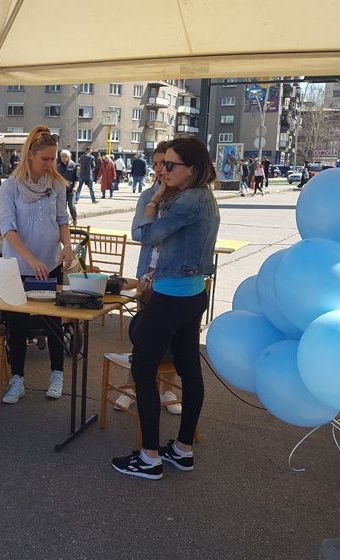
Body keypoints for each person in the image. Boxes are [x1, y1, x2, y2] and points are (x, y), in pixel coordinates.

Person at [111, 136, 220, 480]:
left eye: (170, 165)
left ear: (192, 168)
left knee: (143, 369)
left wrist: (154, 201)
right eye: (161, 164)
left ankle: (149, 457)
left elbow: (144, 235)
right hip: (190, 293)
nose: (163, 170)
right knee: (188, 367)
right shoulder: (203, 197)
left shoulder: (188, 200)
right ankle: (182, 450)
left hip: (173, 297)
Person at [0, 126, 75, 404]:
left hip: (51, 263)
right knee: (16, 325)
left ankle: (57, 374)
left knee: (53, 321)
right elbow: (7, 228)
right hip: (18, 267)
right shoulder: (10, 187)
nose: (50, 164)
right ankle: (17, 378)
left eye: (53, 159)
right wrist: (30, 260)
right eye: (45, 159)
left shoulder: (55, 185)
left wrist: (67, 247)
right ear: (30, 155)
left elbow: (62, 220)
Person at [56, 149, 78, 224]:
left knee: (71, 205)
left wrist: (75, 187)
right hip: (62, 190)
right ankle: (64, 221)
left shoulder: (74, 166)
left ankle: (74, 219)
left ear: (69, 157)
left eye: (65, 156)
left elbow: (77, 178)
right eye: (62, 156)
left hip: (71, 190)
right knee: (62, 207)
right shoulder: (58, 167)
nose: (63, 158)